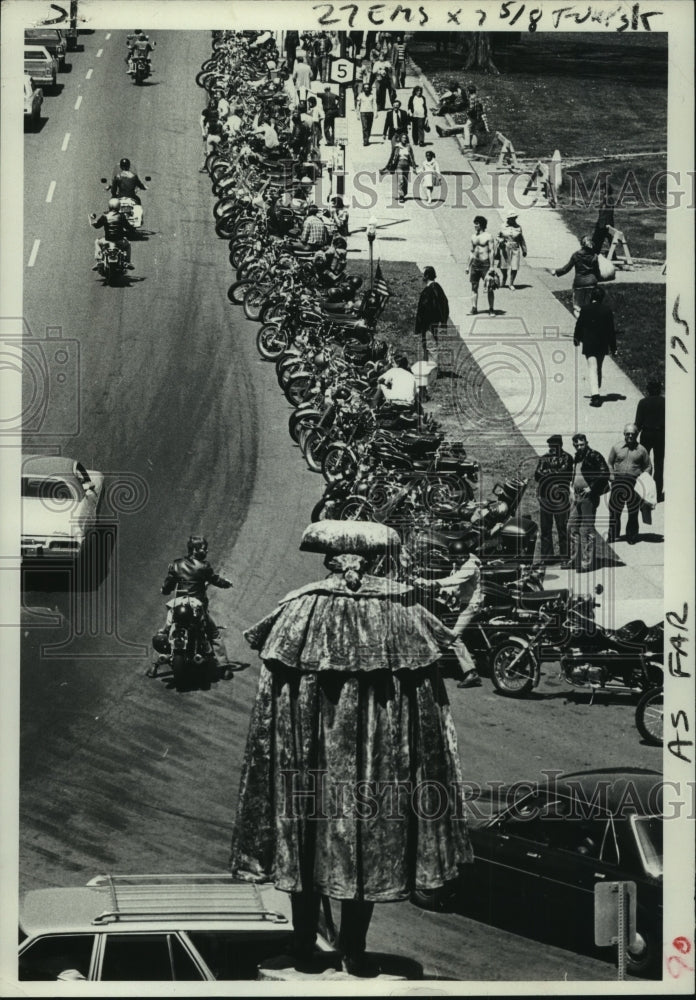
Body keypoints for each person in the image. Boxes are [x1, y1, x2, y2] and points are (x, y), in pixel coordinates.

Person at [230, 522, 473, 976]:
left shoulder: (300, 609)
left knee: (304, 838)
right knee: (367, 843)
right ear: (375, 562)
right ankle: (353, 948)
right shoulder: (402, 613)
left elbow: (273, 703)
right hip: (375, 767)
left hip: (308, 762)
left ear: (329, 562)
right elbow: (427, 709)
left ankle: (304, 939)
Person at [156, 535, 232, 667]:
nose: (206, 551)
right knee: (214, 633)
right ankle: (224, 665)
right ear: (194, 550)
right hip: (197, 607)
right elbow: (215, 579)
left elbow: (168, 585)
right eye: (203, 548)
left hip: (179, 605)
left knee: (165, 630)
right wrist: (226, 584)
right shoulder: (204, 566)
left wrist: (164, 590)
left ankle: (157, 661)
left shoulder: (176, 564)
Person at [565, 433, 610, 572]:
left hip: (588, 497)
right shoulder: (577, 456)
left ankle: (586, 563)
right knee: (571, 527)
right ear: (574, 445)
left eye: (582, 444)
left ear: (586, 443)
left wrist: (591, 487)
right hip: (577, 495)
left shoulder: (594, 455)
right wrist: (572, 487)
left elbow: (605, 473)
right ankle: (574, 560)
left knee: (587, 530)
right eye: (577, 445)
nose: (580, 447)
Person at [573, 285, 617, 407]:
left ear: (591, 297)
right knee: (599, 367)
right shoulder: (607, 310)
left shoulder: (585, 309)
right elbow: (611, 331)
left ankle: (595, 395)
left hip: (589, 343)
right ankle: (596, 389)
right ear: (602, 298)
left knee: (592, 367)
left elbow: (579, 325)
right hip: (602, 344)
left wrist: (576, 338)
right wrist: (613, 347)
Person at [607, 424, 652, 545]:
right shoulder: (616, 447)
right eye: (628, 434)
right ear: (624, 434)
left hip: (634, 482)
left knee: (633, 510)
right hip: (618, 481)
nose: (630, 436)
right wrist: (611, 475)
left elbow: (648, 466)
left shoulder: (642, 450)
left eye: (633, 434)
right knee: (614, 510)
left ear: (637, 435)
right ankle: (613, 534)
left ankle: (631, 536)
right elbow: (610, 462)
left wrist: (644, 479)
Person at [534, 435, 574, 561]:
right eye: (550, 446)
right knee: (545, 528)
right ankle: (547, 557)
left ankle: (565, 557)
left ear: (560, 445)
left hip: (560, 497)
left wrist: (547, 474)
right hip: (545, 497)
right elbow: (537, 474)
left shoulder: (567, 458)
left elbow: (564, 474)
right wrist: (553, 474)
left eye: (553, 446)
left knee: (562, 528)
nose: (551, 448)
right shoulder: (544, 458)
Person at [550, 236, 599, 317]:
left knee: (577, 308)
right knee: (588, 306)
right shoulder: (594, 256)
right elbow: (597, 271)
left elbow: (566, 268)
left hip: (579, 283)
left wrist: (556, 271)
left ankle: (579, 322)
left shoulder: (576, 255)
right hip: (592, 283)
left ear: (581, 244)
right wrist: (597, 279)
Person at [634, 379, 665, 501]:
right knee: (659, 464)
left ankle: (644, 491)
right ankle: (658, 493)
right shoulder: (664, 402)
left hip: (646, 434)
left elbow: (638, 423)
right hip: (660, 435)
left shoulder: (643, 402)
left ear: (648, 390)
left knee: (644, 464)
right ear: (660, 390)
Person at [90, 198, 136, 269]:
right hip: (119, 240)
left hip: (107, 240)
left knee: (97, 242)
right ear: (118, 206)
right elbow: (128, 227)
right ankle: (127, 262)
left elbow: (97, 226)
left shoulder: (105, 216)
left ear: (109, 206)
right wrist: (132, 229)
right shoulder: (121, 216)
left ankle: (99, 260)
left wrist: (93, 221)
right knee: (128, 244)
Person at [415, 266, 449, 361]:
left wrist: (419, 326)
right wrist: (443, 321)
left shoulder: (428, 291)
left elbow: (423, 310)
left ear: (426, 276)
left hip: (428, 325)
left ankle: (433, 368)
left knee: (431, 347)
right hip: (434, 323)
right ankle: (428, 366)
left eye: (423, 275)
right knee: (428, 346)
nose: (422, 277)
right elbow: (445, 305)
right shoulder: (438, 288)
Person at [467, 216, 495, 315]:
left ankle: (491, 309)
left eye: (477, 224)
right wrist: (468, 266)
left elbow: (491, 251)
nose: (475, 225)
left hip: (485, 264)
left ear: (482, 225)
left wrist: (492, 266)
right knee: (474, 286)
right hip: (475, 264)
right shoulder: (473, 236)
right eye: (474, 223)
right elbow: (472, 252)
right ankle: (474, 308)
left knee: (489, 287)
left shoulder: (488, 236)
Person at [497, 213, 527, 289]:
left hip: (515, 248)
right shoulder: (503, 226)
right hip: (505, 247)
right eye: (511, 218)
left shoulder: (518, 227)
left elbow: (521, 239)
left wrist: (524, 250)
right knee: (503, 266)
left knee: (514, 267)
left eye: (514, 218)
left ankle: (511, 283)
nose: (513, 219)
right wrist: (500, 240)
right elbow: (498, 236)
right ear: (508, 219)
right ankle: (504, 276)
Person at [592, 177, 615, 254]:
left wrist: (608, 223)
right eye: (601, 189)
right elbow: (601, 212)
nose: (601, 191)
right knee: (598, 239)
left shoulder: (609, 199)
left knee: (601, 239)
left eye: (603, 189)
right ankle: (595, 253)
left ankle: (595, 253)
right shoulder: (604, 199)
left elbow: (609, 212)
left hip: (606, 224)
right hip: (601, 223)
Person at [356, 82, 376, 146]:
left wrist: (376, 112)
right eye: (365, 88)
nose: (366, 89)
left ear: (369, 88)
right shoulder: (360, 95)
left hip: (370, 112)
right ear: (363, 89)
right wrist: (357, 114)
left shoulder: (372, 95)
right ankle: (365, 141)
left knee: (369, 127)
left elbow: (374, 104)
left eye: (367, 88)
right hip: (363, 113)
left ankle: (367, 138)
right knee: (365, 127)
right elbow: (358, 105)